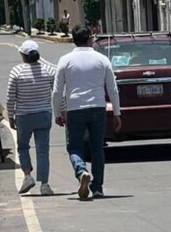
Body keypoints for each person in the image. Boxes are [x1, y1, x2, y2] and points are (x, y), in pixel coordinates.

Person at [52, 26, 122, 200]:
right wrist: (117, 113)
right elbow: (112, 89)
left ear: (73, 40)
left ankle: (81, 170)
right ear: (90, 39)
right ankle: (97, 187)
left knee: (75, 146)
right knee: (97, 147)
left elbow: (57, 91)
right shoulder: (102, 59)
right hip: (98, 107)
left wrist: (58, 113)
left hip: (75, 108)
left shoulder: (65, 60)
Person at [7, 40, 57, 196]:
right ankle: (45, 184)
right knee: (43, 150)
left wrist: (10, 116)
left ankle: (28, 176)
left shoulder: (16, 71)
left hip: (24, 115)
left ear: (23, 55)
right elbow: (56, 93)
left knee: (23, 147)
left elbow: (10, 98)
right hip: (44, 114)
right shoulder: (49, 70)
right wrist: (61, 112)